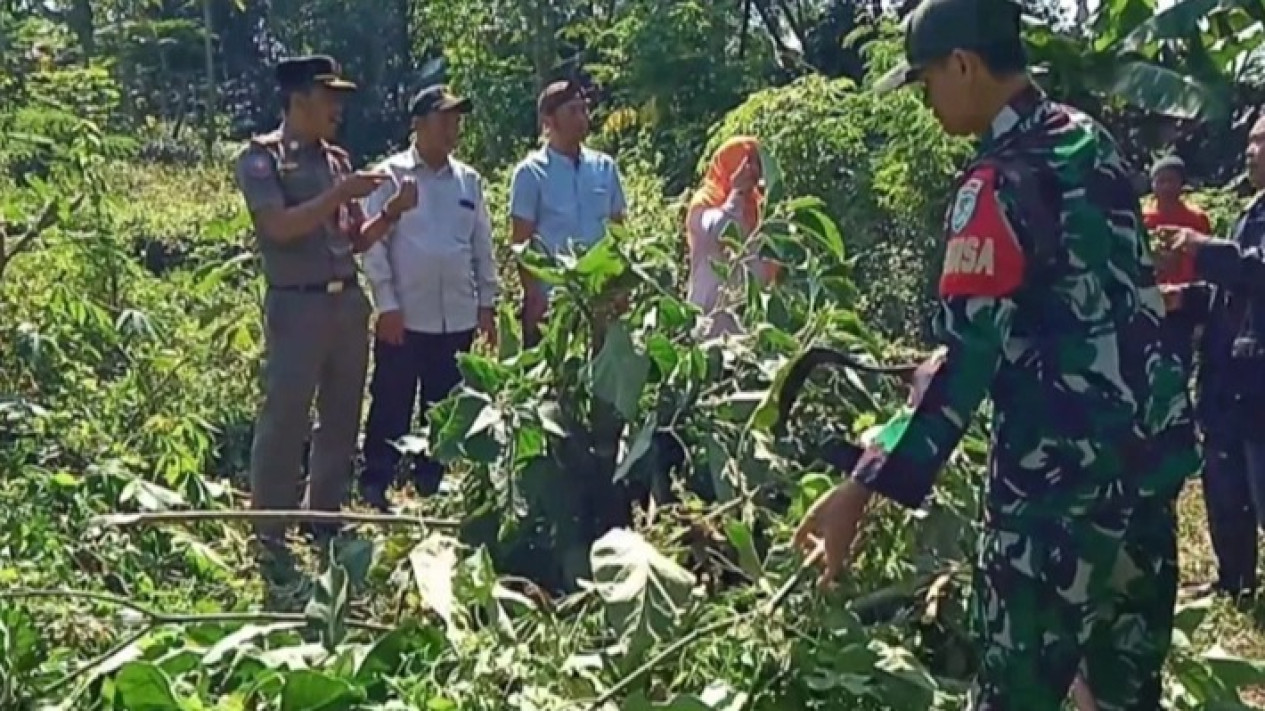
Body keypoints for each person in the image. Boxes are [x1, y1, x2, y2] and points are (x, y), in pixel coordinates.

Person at [791, 1, 1199, 709]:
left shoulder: (995, 183)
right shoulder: (1090, 141)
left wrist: (859, 486)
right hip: (1145, 482)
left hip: (1052, 507)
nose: (925, 100)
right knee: (1126, 693)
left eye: (925, 80)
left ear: (962, 65)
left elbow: (965, 362)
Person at [232, 55, 396, 581]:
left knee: (343, 412)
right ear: (299, 99)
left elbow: (354, 237)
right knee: (287, 413)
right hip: (297, 303)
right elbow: (278, 227)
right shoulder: (262, 159)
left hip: (345, 301)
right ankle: (269, 526)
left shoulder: (338, 160)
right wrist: (337, 195)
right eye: (328, 98)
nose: (337, 110)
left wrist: (390, 214)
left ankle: (324, 513)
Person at [358, 84, 498, 510]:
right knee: (391, 399)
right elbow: (374, 249)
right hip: (405, 313)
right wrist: (386, 304)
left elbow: (482, 245)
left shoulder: (468, 181)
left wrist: (487, 303)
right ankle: (377, 480)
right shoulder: (389, 176)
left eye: (457, 119)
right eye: (444, 119)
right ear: (418, 124)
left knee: (444, 404)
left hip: (456, 314)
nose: (453, 127)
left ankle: (431, 483)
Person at [1157, 113, 1265, 599]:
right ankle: (1234, 581)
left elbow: (1256, 271)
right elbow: (1232, 292)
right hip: (1230, 376)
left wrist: (1202, 248)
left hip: (1258, 378)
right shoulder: (1250, 213)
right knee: (1225, 484)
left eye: (1261, 143)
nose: (1250, 151)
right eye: (1249, 142)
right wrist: (1186, 297)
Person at [509, 79, 627, 346]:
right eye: (572, 111)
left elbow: (618, 232)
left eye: (583, 109)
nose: (582, 118)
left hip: (600, 301)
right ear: (549, 120)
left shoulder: (605, 168)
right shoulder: (530, 173)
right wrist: (533, 296)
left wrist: (620, 289)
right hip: (555, 303)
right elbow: (521, 243)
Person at [685, 136, 779, 337]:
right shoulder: (704, 201)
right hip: (708, 327)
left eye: (756, 163)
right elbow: (717, 230)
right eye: (746, 162)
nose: (752, 171)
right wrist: (737, 194)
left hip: (745, 335)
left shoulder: (757, 213)